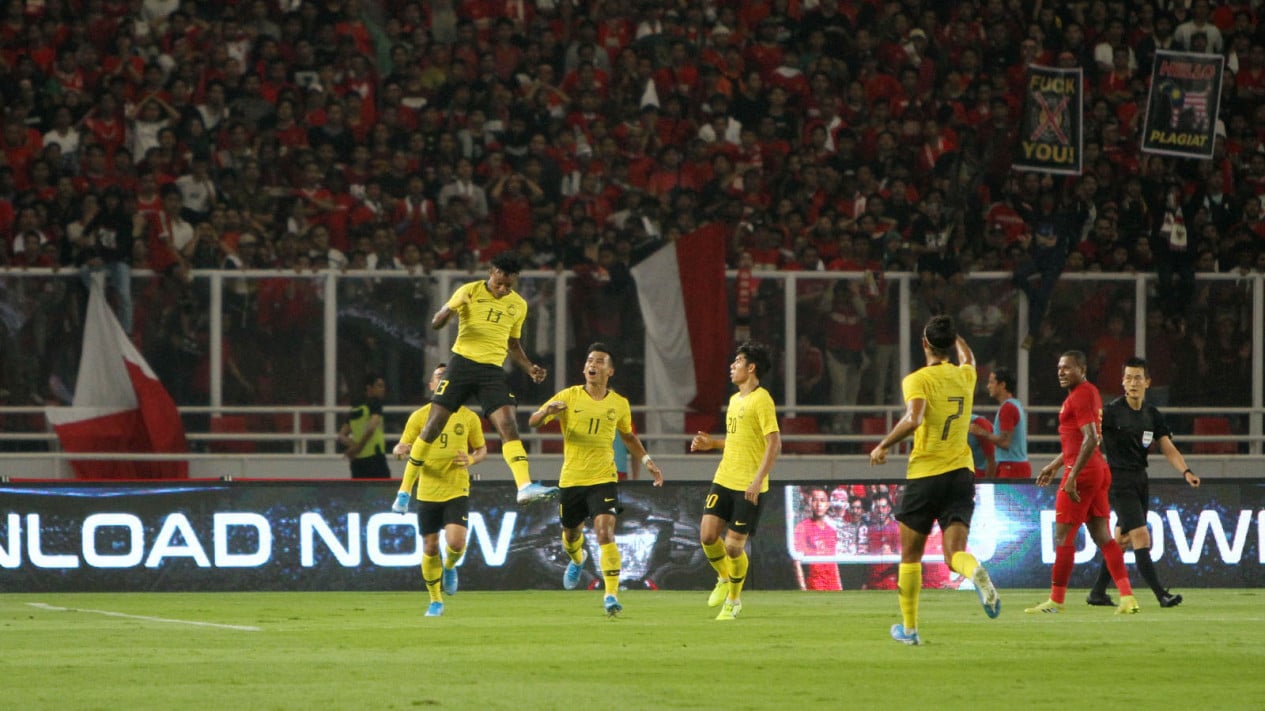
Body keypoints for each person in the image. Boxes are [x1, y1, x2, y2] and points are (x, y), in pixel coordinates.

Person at [868, 314, 1000, 646]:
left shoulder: (918, 379)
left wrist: (883, 445)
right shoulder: (965, 375)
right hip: (961, 474)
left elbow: (914, 418)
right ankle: (975, 572)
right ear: (949, 345)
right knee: (953, 553)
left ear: (924, 344)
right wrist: (957, 336)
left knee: (910, 556)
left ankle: (910, 629)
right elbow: (970, 358)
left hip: (927, 474)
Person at [390, 253, 557, 512]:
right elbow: (436, 324)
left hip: (491, 371)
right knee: (433, 426)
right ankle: (404, 493)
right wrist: (450, 308)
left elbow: (513, 344)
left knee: (508, 424)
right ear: (491, 271)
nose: (502, 289)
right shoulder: (468, 290)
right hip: (461, 366)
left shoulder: (518, 305)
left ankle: (524, 487)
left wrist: (529, 367)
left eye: (508, 286)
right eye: (499, 283)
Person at [529, 342, 664, 616]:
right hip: (572, 479)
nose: (594, 364)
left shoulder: (619, 404)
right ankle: (578, 558)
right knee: (571, 534)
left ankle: (611, 595)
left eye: (600, 361)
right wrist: (546, 412)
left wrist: (648, 462)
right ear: (584, 367)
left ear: (610, 371)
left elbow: (628, 436)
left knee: (605, 532)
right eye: (590, 360)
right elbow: (533, 422)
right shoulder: (569, 396)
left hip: (603, 477)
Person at [1026, 351, 1139, 615]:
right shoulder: (1085, 394)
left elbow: (1091, 439)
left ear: (1082, 369)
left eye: (1067, 368)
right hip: (1095, 469)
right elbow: (1079, 441)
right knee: (1103, 536)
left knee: (1063, 536)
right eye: (1059, 368)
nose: (1061, 372)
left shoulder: (1082, 395)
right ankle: (1127, 597)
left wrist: (1072, 476)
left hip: (1083, 472)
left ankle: (1056, 600)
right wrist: (1055, 466)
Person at [1085, 357, 1201, 609]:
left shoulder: (1152, 414)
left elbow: (1168, 448)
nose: (1132, 382)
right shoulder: (1111, 412)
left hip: (1140, 479)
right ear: (1122, 382)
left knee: (1122, 541)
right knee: (1140, 535)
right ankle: (1161, 595)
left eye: (1138, 378)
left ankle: (1096, 592)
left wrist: (1186, 471)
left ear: (1147, 382)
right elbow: (1089, 439)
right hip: (1118, 480)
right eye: (1128, 378)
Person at [691, 340, 781, 621]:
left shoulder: (762, 399)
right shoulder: (734, 400)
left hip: (748, 485)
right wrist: (713, 445)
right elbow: (739, 440)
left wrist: (757, 481)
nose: (732, 366)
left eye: (738, 362)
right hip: (724, 477)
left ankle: (733, 601)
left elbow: (773, 443)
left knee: (732, 547)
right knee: (707, 536)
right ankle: (723, 578)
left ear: (751, 368)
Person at [391, 363, 488, 617]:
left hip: (456, 488)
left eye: (448, 377)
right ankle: (435, 601)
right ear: (433, 386)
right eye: (438, 377)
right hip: (427, 491)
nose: (444, 380)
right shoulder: (419, 417)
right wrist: (399, 452)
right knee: (430, 547)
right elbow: (403, 448)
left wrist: (472, 459)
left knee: (456, 543)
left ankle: (451, 565)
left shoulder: (468, 417)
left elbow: (481, 450)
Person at [970, 367, 1031, 478]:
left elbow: (1005, 443)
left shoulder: (1007, 408)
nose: (988, 386)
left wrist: (981, 432)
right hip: (1013, 465)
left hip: (1012, 467)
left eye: (991, 382)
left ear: (1002, 385)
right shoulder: (1014, 404)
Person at [339, 374, 390, 479]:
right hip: (375, 458)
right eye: (379, 386)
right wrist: (358, 447)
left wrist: (353, 446)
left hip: (357, 462)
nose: (383, 389)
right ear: (369, 388)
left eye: (383, 386)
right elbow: (371, 428)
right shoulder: (375, 403)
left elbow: (341, 435)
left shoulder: (355, 408)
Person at [793, 487, 842, 591]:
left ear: (827, 505)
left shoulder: (831, 530)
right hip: (815, 585)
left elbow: (834, 562)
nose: (819, 504)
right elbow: (796, 562)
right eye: (815, 500)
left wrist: (839, 586)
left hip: (833, 585)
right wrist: (803, 588)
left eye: (822, 500)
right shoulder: (802, 527)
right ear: (810, 503)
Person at [967, 413, 997, 478]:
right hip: (972, 470)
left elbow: (992, 461)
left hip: (989, 472)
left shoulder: (978, 424)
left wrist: (987, 484)